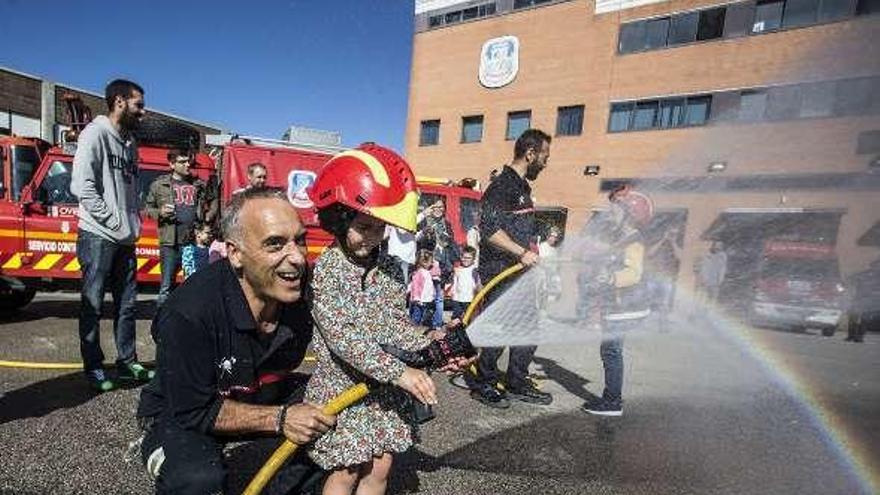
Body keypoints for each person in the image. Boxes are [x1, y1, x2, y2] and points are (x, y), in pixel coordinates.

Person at [136, 188, 336, 495]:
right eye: (275, 244)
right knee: (197, 479)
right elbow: (193, 410)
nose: (297, 258)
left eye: (300, 240)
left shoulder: (303, 292)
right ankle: (160, 452)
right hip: (185, 409)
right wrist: (281, 419)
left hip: (256, 391)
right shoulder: (189, 313)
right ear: (235, 253)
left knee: (345, 410)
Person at [305, 144, 468, 495]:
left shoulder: (392, 268)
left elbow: (394, 323)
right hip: (342, 389)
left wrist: (435, 340)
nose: (373, 237)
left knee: (381, 466)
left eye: (381, 228)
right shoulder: (328, 269)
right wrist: (401, 372)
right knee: (346, 469)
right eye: (364, 226)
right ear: (338, 218)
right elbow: (342, 338)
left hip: (382, 390)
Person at [70, 79, 150, 392]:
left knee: (127, 305)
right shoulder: (95, 133)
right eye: (138, 105)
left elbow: (130, 190)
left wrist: (132, 223)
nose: (143, 112)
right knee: (92, 305)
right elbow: (82, 187)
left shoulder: (130, 142)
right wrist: (114, 220)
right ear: (119, 102)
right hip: (97, 235)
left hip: (125, 238)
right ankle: (93, 367)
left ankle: (127, 362)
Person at [471, 128, 553, 409]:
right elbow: (489, 230)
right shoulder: (503, 185)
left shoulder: (522, 188)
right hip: (498, 272)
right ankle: (485, 384)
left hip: (520, 273)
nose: (546, 163)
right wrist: (522, 253)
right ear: (530, 154)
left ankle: (517, 382)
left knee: (527, 330)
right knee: (498, 331)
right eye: (544, 156)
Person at [581, 185, 653, 417]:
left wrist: (610, 277)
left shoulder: (633, 241)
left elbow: (634, 273)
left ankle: (612, 402)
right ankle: (612, 398)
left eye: (615, 208)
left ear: (628, 213)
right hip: (619, 306)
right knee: (611, 350)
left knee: (611, 351)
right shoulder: (623, 238)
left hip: (625, 307)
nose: (610, 211)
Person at [145, 149, 210, 307]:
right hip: (170, 242)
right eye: (182, 161)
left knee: (193, 284)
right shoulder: (159, 185)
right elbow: (147, 209)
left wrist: (206, 221)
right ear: (172, 164)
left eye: (188, 161)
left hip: (192, 242)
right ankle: (161, 324)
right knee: (167, 286)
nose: (187, 164)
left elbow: (210, 203)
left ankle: (188, 320)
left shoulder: (197, 184)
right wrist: (160, 212)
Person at [646, 224, 683, 331]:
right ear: (665, 232)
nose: (672, 235)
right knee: (648, 300)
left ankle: (662, 325)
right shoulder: (658, 243)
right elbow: (649, 253)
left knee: (665, 302)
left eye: (675, 234)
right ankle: (645, 324)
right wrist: (663, 239)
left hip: (667, 277)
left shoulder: (676, 246)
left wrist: (673, 242)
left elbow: (679, 257)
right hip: (653, 276)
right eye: (671, 233)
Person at [449, 245, 481, 323]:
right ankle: (455, 332)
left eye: (468, 258)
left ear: (473, 259)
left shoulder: (474, 270)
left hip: (469, 299)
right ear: (460, 257)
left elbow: (478, 283)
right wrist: (452, 291)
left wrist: (477, 293)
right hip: (458, 298)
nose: (465, 260)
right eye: (464, 257)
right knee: (456, 318)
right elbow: (455, 281)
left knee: (469, 317)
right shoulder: (458, 269)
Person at [408, 249, 436, 327]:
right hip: (419, 300)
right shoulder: (419, 273)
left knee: (423, 316)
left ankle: (420, 328)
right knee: (416, 317)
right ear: (424, 262)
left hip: (426, 299)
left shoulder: (427, 272)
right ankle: (413, 329)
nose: (432, 262)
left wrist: (433, 294)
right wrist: (417, 298)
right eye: (431, 261)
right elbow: (415, 286)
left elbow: (429, 285)